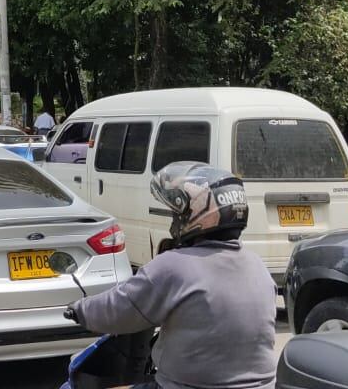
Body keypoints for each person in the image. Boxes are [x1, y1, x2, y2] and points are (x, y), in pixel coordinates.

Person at [65, 162, 277, 389]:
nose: (175, 221)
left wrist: (79, 310)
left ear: (200, 216)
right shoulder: (258, 267)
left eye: (179, 214)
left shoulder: (174, 266)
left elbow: (117, 308)